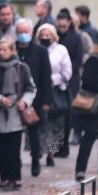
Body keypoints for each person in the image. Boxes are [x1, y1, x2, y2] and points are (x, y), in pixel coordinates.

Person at [0, 37, 36, 189]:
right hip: (0, 112)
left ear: (12, 50)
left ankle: (16, 177)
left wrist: (25, 101)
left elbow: (31, 88)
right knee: (2, 148)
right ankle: (4, 177)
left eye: (5, 50)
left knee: (15, 148)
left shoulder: (22, 68)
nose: (1, 53)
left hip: (16, 111)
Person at [74, 29, 98, 181]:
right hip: (95, 106)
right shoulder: (94, 59)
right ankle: (80, 169)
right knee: (89, 138)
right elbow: (87, 80)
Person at [15, 18, 53, 177]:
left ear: (31, 33)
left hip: (34, 97)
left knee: (34, 132)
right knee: (15, 133)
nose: (23, 35)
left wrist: (46, 101)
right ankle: (15, 162)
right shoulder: (13, 49)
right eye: (20, 32)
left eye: (26, 32)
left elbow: (46, 76)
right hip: (15, 98)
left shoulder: (40, 51)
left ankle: (35, 161)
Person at [37, 24, 72, 168]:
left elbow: (67, 72)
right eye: (42, 35)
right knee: (37, 123)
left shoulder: (61, 50)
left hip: (55, 91)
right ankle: (37, 150)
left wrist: (51, 80)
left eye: (48, 34)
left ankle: (50, 153)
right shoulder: (36, 49)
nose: (45, 37)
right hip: (37, 91)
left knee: (53, 123)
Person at [55, 9, 83, 158]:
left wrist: (65, 70)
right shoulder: (56, 37)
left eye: (64, 26)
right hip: (56, 81)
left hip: (70, 81)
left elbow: (78, 60)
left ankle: (64, 145)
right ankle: (56, 145)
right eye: (59, 26)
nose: (61, 29)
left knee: (67, 113)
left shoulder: (76, 38)